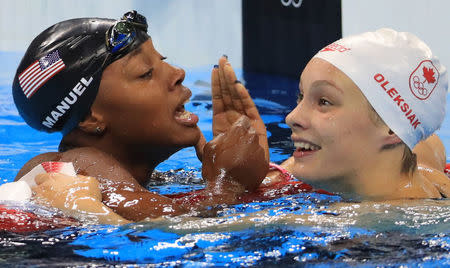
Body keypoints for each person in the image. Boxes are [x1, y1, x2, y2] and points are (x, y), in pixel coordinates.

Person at [12, 11, 270, 224]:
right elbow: (174, 225)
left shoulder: (133, 179)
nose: (178, 72)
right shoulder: (75, 166)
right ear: (91, 119)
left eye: (164, 61)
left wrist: (247, 167)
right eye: (145, 73)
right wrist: (228, 186)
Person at [272, 28, 449, 199]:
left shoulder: (380, 222)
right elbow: (428, 143)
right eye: (301, 96)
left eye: (324, 102)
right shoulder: (421, 164)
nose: (292, 117)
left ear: (391, 129)